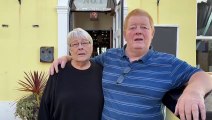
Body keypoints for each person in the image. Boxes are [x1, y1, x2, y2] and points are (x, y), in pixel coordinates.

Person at [49, 9, 212, 120]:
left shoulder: (167, 63)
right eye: (132, 27)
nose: (138, 31)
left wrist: (193, 92)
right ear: (125, 34)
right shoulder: (109, 56)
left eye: (144, 27)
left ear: (152, 33)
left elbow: (203, 76)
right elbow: (86, 62)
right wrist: (68, 58)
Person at [38, 28, 104, 120]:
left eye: (85, 43)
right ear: (70, 50)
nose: (80, 47)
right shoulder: (58, 71)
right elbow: (45, 106)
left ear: (91, 46)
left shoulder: (101, 72)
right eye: (75, 44)